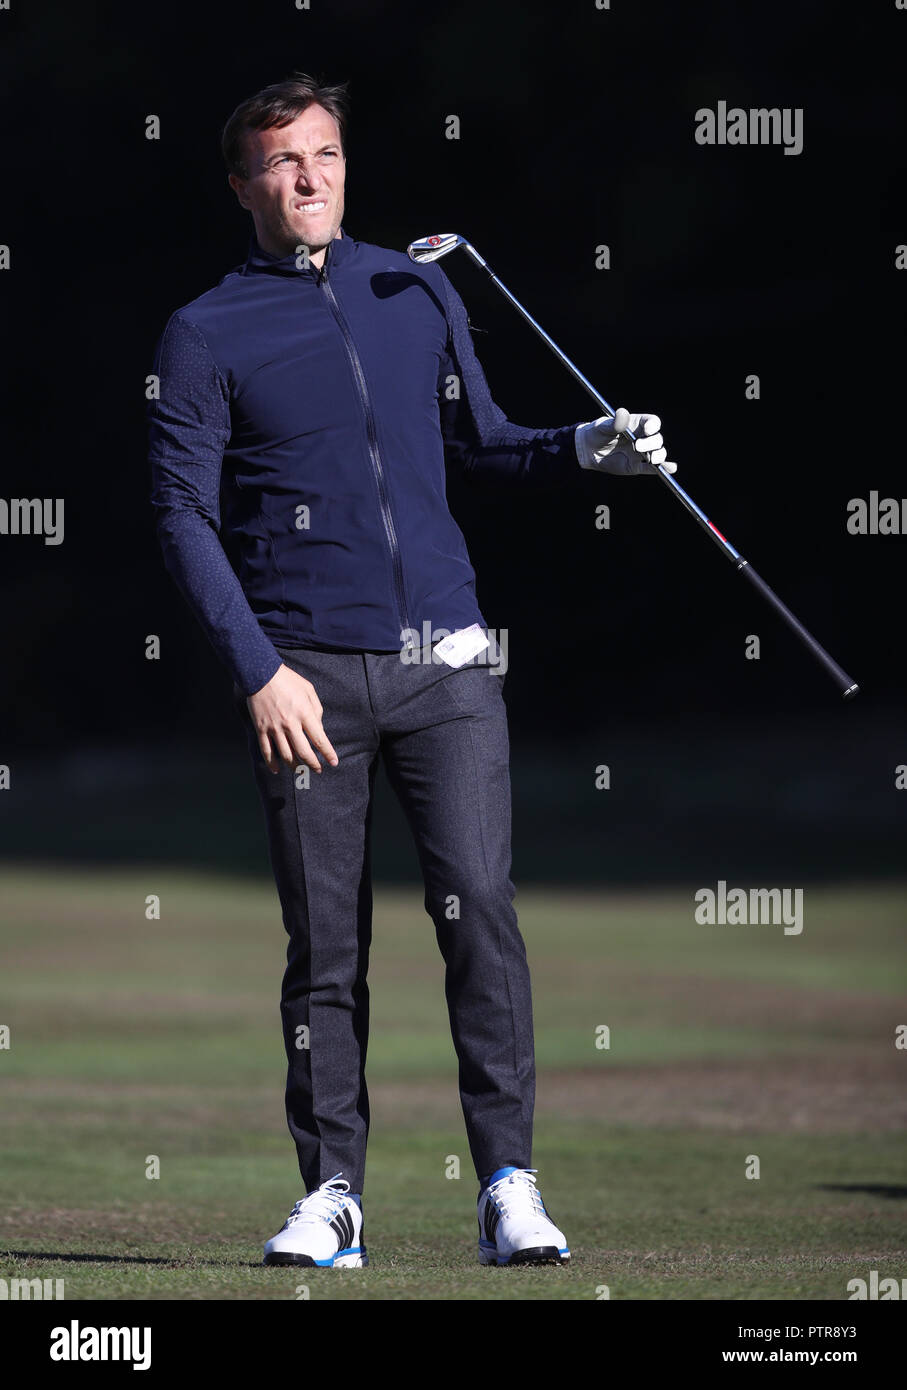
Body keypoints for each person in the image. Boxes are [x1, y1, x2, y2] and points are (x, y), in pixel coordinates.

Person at [147, 71, 676, 1270]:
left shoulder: (412, 284)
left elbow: (481, 447)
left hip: (449, 667)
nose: (309, 179)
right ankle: (333, 1195)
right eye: (282, 164)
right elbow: (178, 511)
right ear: (244, 188)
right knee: (324, 946)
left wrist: (589, 448)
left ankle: (507, 1187)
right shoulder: (207, 328)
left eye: (324, 154)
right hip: (307, 682)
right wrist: (257, 670)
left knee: (480, 914)